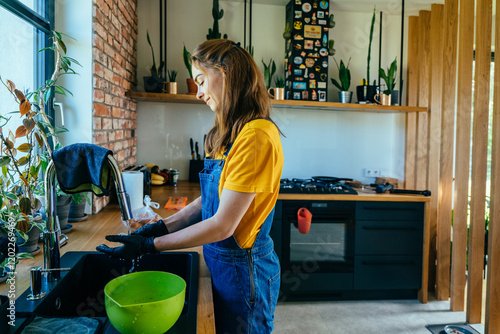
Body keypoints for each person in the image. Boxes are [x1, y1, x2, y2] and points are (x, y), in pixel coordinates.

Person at [97, 39, 284, 334]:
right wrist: (159, 228)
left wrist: (151, 246)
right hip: (224, 266)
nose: (197, 93)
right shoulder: (230, 135)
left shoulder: (257, 137)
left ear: (227, 73)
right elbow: (207, 204)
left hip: (244, 271)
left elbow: (223, 225)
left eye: (200, 80)